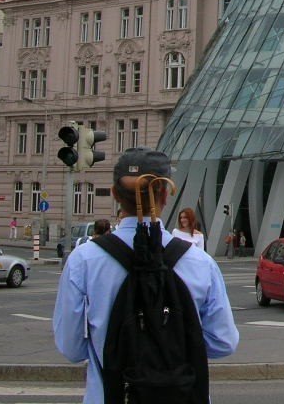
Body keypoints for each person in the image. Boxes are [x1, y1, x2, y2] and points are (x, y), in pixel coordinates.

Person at [53, 148, 239, 402]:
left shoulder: (83, 260)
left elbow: (71, 348)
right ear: (165, 194)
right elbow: (223, 343)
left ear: (116, 194)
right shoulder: (199, 262)